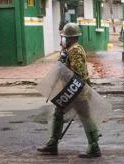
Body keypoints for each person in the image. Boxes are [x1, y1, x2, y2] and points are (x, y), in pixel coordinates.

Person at [37, 23, 101, 158]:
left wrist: (64, 66)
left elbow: (76, 72)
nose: (62, 40)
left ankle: (94, 147)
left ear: (70, 38)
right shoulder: (69, 50)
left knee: (85, 117)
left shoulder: (76, 50)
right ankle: (52, 144)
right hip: (70, 91)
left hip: (77, 91)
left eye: (64, 37)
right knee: (58, 113)